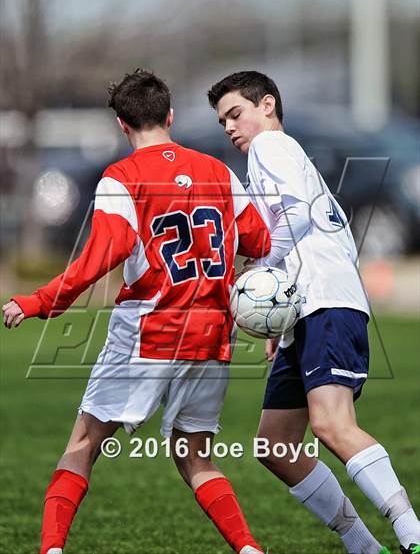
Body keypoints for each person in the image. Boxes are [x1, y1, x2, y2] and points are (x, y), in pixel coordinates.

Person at [2, 69, 271, 554]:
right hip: (211, 336)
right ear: (169, 115)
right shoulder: (218, 171)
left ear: (122, 126)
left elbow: (101, 256)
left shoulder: (121, 178)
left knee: (82, 445)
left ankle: (51, 550)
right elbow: (259, 240)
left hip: (148, 332)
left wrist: (38, 301)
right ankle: (249, 549)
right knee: (196, 458)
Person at [207, 71, 420, 554]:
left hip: (327, 302)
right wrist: (276, 312)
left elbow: (296, 215)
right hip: (306, 310)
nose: (231, 128)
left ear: (267, 105)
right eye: (223, 123)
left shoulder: (270, 147)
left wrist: (258, 272)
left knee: (331, 425)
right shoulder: (283, 156)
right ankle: (365, 547)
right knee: (275, 444)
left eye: (236, 114)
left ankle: (412, 534)